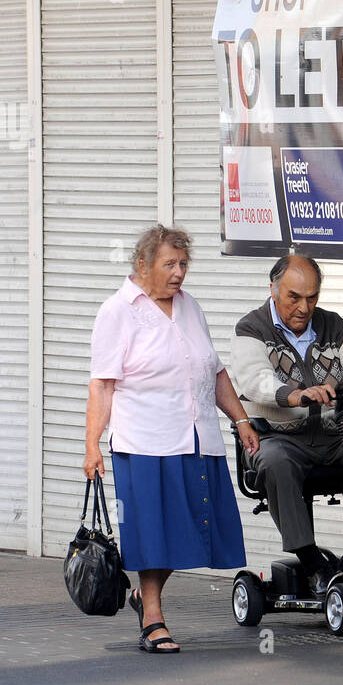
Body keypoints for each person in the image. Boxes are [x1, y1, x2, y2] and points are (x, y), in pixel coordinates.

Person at [84, 224, 257, 653]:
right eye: (170, 264)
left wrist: (240, 419)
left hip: (198, 439)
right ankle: (154, 618)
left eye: (183, 264)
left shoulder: (189, 307)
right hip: (145, 443)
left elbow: (213, 370)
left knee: (194, 531)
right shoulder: (117, 311)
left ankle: (146, 596)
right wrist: (91, 444)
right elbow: (102, 385)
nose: (179, 272)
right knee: (153, 534)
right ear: (142, 265)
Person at [230, 253, 343, 596]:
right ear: (273, 289)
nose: (304, 307)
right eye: (294, 297)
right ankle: (312, 561)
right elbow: (255, 380)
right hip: (278, 438)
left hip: (335, 439)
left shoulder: (334, 326)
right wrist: (298, 395)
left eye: (312, 297)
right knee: (274, 461)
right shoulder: (251, 329)